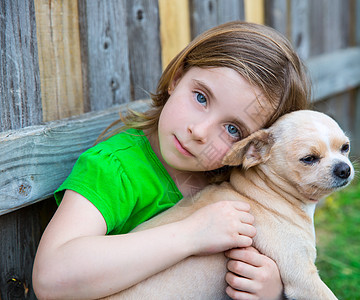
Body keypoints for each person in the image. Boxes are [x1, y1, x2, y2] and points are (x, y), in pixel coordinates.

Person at [33, 21, 310, 299]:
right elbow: (51, 277)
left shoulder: (238, 184)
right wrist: (193, 234)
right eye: (201, 97)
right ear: (177, 78)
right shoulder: (116, 169)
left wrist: (272, 288)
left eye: (232, 129)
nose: (200, 132)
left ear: (255, 149)